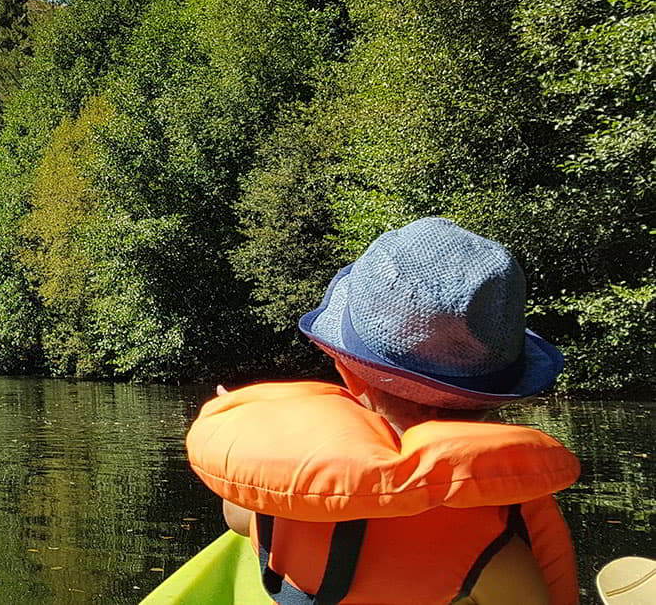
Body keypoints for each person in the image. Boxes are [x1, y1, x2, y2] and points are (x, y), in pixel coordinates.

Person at [187, 217, 581, 605]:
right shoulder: (496, 546)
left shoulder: (280, 502)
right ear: (498, 395)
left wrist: (262, 430)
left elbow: (237, 516)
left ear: (348, 371)